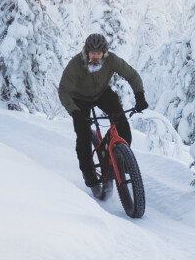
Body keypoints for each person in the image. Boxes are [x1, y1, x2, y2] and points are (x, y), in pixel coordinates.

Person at [58, 33, 148, 188]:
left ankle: (121, 159)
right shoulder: (76, 64)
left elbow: (132, 75)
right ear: (86, 52)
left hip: (101, 93)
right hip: (79, 98)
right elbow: (63, 91)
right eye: (92, 53)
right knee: (83, 134)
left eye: (99, 54)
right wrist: (74, 111)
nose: (95, 57)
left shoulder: (111, 60)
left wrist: (139, 96)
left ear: (104, 53)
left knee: (122, 124)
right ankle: (87, 172)